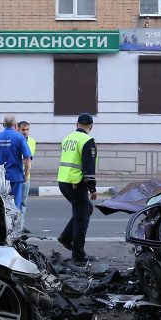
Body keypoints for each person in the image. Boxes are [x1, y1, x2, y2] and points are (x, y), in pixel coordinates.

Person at [57, 113, 97, 264]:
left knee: (85, 209)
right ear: (91, 127)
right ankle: (78, 254)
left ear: (77, 124)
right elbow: (88, 167)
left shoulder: (67, 139)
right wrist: (92, 189)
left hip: (63, 181)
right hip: (76, 184)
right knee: (82, 217)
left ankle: (66, 237)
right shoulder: (87, 141)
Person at [0, 115, 32, 208]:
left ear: (3, 124)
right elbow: (27, 158)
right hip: (16, 177)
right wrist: (26, 175)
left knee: (2, 205)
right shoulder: (20, 137)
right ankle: (14, 222)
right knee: (15, 205)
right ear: (16, 125)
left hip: (0, 178)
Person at [17, 121, 36, 222]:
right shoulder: (15, 140)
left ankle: (21, 225)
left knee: (23, 202)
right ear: (18, 129)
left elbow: (29, 159)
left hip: (26, 176)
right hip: (15, 175)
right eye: (23, 130)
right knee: (14, 202)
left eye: (27, 130)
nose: (25, 132)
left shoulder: (32, 141)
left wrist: (27, 174)